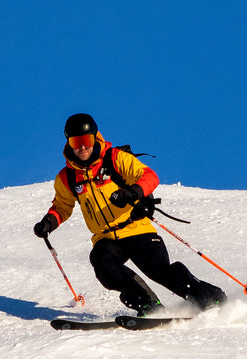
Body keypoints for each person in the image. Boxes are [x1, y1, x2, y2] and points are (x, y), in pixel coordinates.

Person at [34, 113, 227, 315]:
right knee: (103, 264)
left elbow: (149, 176)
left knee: (158, 269)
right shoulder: (68, 177)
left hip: (136, 228)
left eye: (86, 140)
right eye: (76, 142)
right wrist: (48, 223)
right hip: (106, 238)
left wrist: (131, 192)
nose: (82, 147)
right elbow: (62, 206)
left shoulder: (114, 158)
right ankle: (148, 305)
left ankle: (209, 297)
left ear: (94, 138)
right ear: (69, 144)